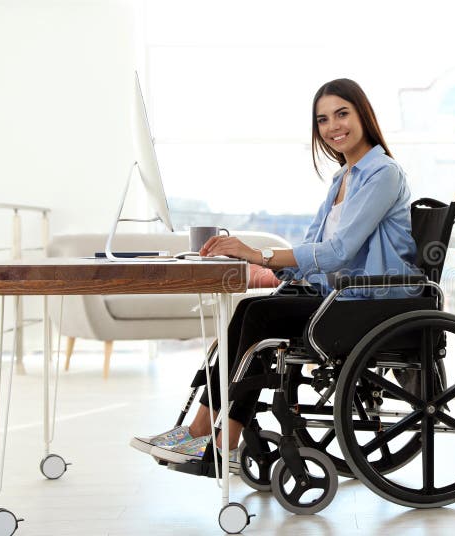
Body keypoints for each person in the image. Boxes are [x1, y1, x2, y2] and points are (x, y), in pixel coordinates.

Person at [130, 78, 419, 463]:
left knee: (262, 315)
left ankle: (216, 437)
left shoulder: (383, 174)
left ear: (363, 114)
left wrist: (260, 254)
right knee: (251, 309)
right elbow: (315, 246)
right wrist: (261, 266)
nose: (333, 126)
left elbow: (338, 251)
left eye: (342, 114)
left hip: (371, 303)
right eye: (323, 119)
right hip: (338, 296)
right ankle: (202, 431)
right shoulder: (341, 179)